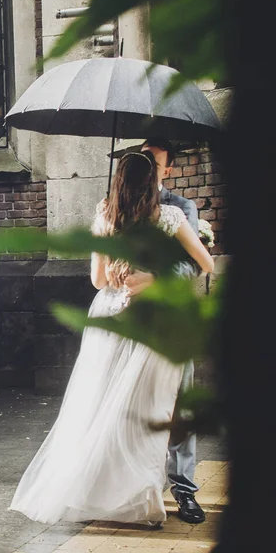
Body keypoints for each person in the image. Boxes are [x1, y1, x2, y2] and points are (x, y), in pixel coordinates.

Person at [9, 151, 214, 526]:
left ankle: (99, 492)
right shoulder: (169, 216)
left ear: (118, 181)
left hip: (109, 312)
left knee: (104, 405)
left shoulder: (105, 215)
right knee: (149, 411)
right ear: (155, 180)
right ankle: (142, 498)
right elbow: (206, 262)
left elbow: (98, 281)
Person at [125, 138, 206, 524]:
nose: (146, 167)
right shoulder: (119, 204)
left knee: (179, 404)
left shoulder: (180, 208)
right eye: (141, 160)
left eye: (153, 163)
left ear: (167, 170)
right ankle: (140, 486)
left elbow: (193, 264)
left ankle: (185, 488)